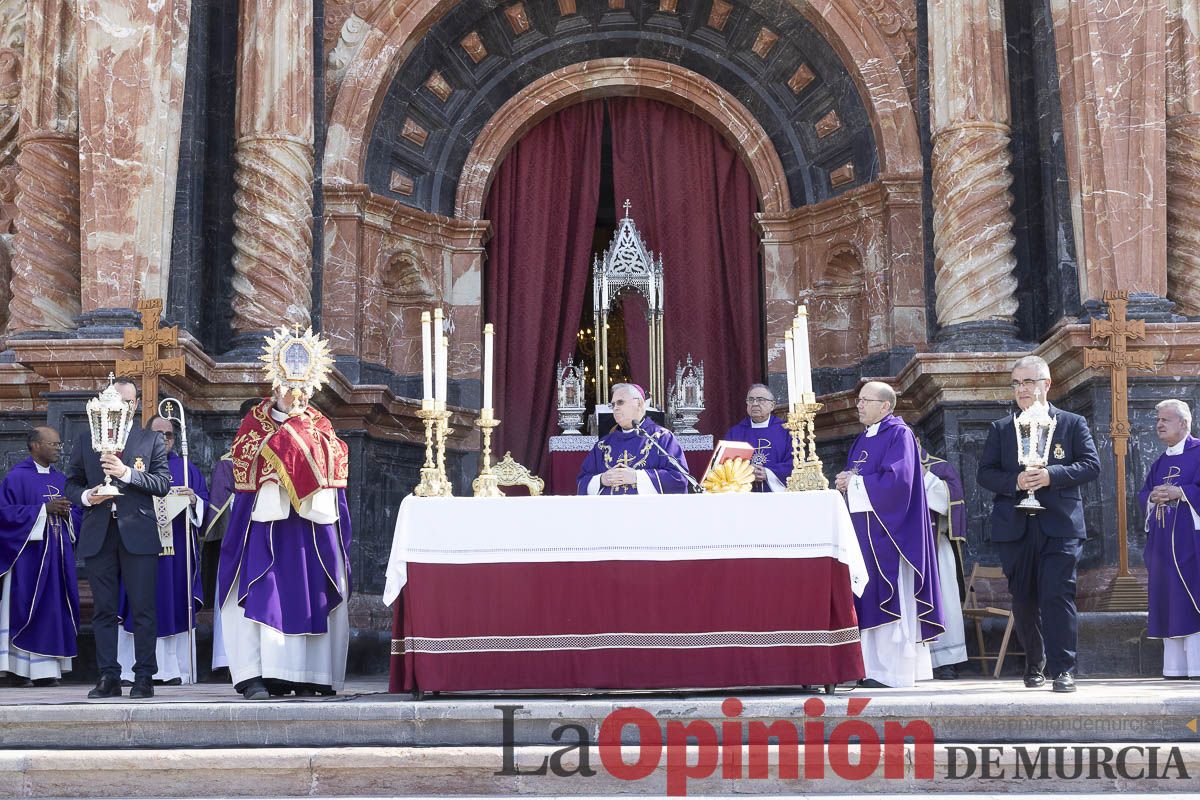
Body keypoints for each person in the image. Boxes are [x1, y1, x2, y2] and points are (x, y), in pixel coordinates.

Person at [218, 328, 351, 700]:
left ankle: (312, 674)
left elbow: (337, 457)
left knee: (312, 593)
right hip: (268, 525)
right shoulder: (254, 423)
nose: (294, 394)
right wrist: (279, 453)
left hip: (308, 527)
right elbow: (244, 460)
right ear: (275, 385)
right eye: (287, 386)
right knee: (267, 591)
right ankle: (259, 675)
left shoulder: (320, 425)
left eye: (302, 388)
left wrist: (295, 440)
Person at [977, 355, 1099, 693]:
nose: (1021, 390)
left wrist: (1050, 475)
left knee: (1058, 594)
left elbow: (1091, 465)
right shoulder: (1001, 428)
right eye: (1016, 383)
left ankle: (1064, 669)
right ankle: (1034, 663)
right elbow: (985, 473)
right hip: (1015, 525)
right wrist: (1016, 481)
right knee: (1024, 597)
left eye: (1028, 382)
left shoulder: (1072, 423)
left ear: (1046, 384)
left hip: (1060, 524)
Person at [65, 376, 172, 699]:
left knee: (142, 609)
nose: (119, 408)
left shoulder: (149, 440)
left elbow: (163, 483)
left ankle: (144, 677)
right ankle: (108, 676)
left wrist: (126, 473)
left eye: (126, 402)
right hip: (99, 533)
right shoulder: (86, 440)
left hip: (137, 533)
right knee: (104, 610)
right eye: (113, 401)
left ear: (135, 405)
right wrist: (87, 496)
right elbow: (71, 482)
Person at [835, 381, 943, 688]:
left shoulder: (900, 434)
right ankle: (868, 667)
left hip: (889, 532)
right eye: (858, 400)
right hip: (864, 530)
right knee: (866, 594)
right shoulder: (861, 439)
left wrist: (854, 482)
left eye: (865, 400)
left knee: (885, 592)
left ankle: (892, 671)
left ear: (885, 406)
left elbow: (899, 482)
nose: (858, 405)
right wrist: (847, 481)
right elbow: (861, 476)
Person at [116, 414, 207, 685]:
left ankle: (175, 670)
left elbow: (203, 504)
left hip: (176, 553)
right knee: (138, 601)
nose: (164, 439)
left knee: (173, 601)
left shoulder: (186, 467)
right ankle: (130, 670)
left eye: (168, 435)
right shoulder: (131, 465)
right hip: (138, 547)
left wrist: (193, 501)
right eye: (158, 434)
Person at [0, 427, 80, 686]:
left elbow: (77, 515)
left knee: (54, 610)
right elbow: (5, 515)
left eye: (59, 444)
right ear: (35, 446)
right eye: (53, 444)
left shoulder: (61, 479)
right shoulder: (16, 478)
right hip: (27, 559)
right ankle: (20, 671)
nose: (59, 448)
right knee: (26, 608)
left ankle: (47, 671)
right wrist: (43, 510)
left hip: (57, 559)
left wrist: (69, 514)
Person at [1138, 399, 1200, 679]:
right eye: (1157, 420)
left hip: (1191, 542)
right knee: (1168, 600)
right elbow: (1143, 494)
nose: (1159, 425)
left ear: (1184, 423)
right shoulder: (1160, 462)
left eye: (1165, 420)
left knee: (1189, 597)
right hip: (1162, 545)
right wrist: (1152, 497)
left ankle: (1197, 666)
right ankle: (1174, 668)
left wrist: (1182, 493)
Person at [201, 398, 259, 679]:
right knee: (233, 595)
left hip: (269, 541)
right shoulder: (227, 464)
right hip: (238, 545)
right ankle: (227, 658)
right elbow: (219, 513)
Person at [576, 383, 690, 495]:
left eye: (620, 402)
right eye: (613, 404)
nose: (615, 408)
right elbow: (582, 482)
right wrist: (602, 480)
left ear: (639, 403)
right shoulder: (603, 445)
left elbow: (679, 480)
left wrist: (637, 477)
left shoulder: (662, 438)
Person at [919, 442, 968, 679]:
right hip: (901, 550)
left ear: (917, 442)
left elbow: (952, 502)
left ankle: (946, 660)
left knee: (944, 601)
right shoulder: (889, 469)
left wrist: (925, 476)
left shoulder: (940, 468)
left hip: (935, 545)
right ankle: (916, 661)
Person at [722, 384, 790, 492]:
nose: (754, 404)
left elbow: (794, 462)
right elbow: (724, 465)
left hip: (777, 498)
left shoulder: (786, 430)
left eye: (760, 400)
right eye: (750, 400)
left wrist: (767, 473)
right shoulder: (735, 433)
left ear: (772, 405)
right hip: (743, 496)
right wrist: (746, 471)